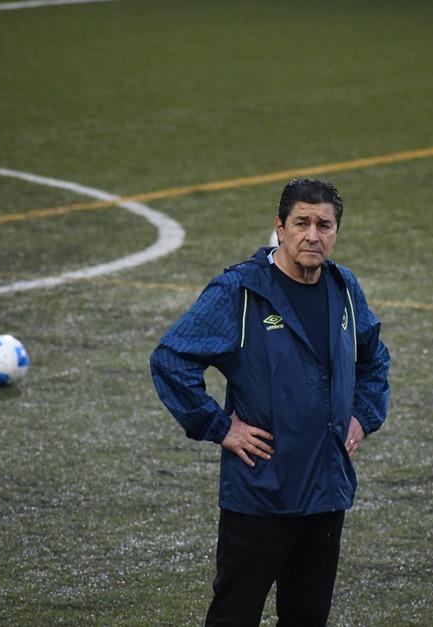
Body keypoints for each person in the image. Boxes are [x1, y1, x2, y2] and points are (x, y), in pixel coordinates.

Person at [150, 178, 390, 626]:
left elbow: (374, 358)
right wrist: (221, 428)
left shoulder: (344, 288)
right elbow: (171, 358)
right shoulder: (239, 291)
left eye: (324, 225)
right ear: (279, 228)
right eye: (301, 223)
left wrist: (364, 415)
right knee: (234, 617)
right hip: (260, 495)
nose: (312, 235)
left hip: (324, 493)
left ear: (336, 232)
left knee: (307, 618)